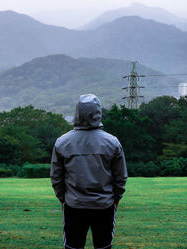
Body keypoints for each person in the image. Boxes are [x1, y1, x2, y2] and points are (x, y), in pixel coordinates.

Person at [50, 94, 128, 249]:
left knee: (73, 246)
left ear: (77, 112)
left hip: (74, 205)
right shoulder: (112, 142)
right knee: (104, 246)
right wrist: (116, 199)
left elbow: (56, 177)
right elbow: (120, 176)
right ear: (98, 112)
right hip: (104, 205)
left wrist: (62, 199)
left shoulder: (62, 142)